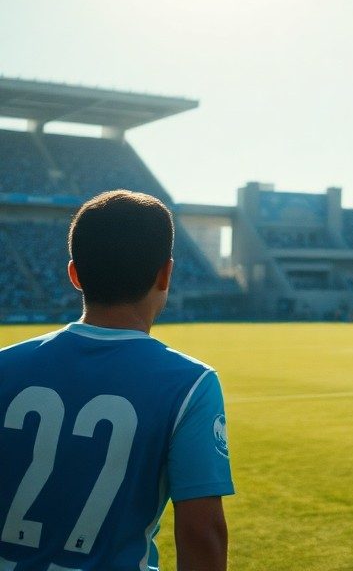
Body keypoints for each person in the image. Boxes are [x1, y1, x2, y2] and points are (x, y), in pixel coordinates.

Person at [0, 190, 233, 570]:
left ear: (74, 274)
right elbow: (201, 531)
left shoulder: (5, 365)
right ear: (166, 273)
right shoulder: (190, 383)